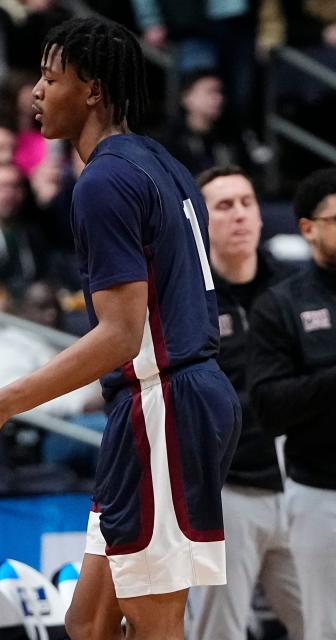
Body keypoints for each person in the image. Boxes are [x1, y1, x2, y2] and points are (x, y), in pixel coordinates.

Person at [0, 17, 241, 640]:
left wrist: (1, 404)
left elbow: (120, 336)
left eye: (50, 78)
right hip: (166, 400)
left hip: (165, 403)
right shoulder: (164, 164)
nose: (35, 93)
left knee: (156, 622)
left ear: (91, 88)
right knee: (89, 622)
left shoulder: (103, 181)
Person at [186, 165, 302, 640]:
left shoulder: (296, 289)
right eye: (224, 205)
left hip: (300, 487)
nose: (239, 215)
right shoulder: (187, 299)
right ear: (200, 219)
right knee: (220, 631)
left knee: (323, 622)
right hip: (227, 491)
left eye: (247, 203)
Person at [248, 167, 336, 640]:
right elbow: (268, 404)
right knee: (324, 627)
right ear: (308, 228)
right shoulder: (281, 305)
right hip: (321, 495)